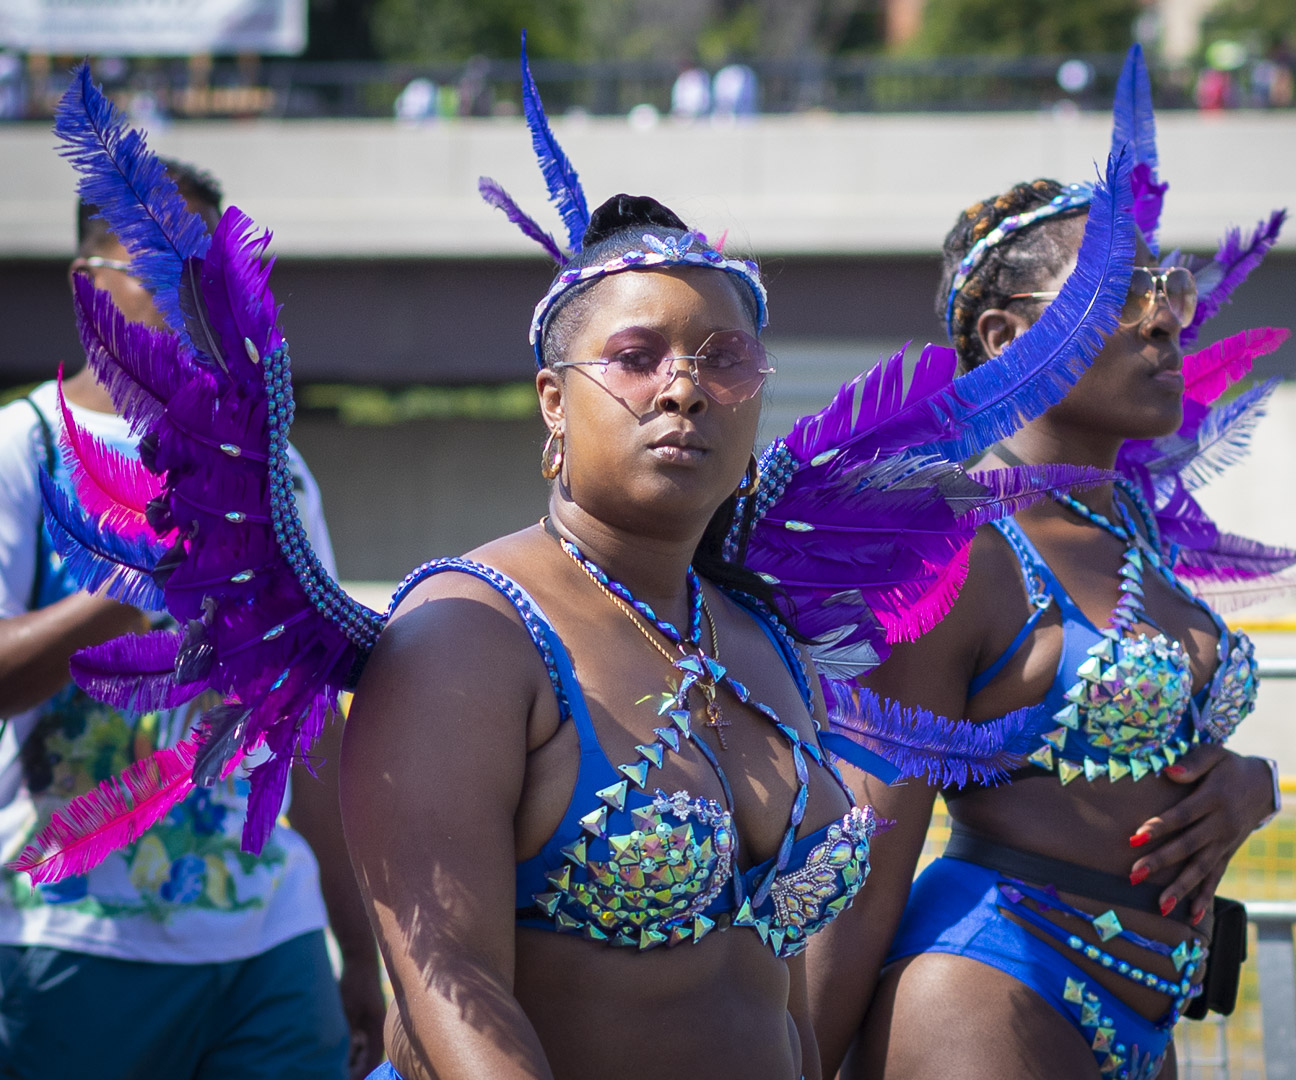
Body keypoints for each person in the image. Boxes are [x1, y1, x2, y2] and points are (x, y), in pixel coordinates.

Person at [19, 54, 1139, 1080]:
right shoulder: (467, 634)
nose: (684, 388)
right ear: (553, 404)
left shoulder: (754, 636)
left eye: (724, 359)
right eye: (637, 358)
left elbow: (778, 994)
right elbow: (454, 1001)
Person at [806, 47, 1296, 1080]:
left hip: (1149, 1010)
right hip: (992, 992)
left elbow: (1173, 754)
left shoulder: (1137, 534)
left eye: (1168, 282)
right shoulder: (955, 552)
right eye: (1122, 290)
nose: (1168, 314)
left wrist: (1252, 787)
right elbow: (865, 866)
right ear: (1004, 337)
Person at [0, 156, 385, 1078]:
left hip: (270, 948)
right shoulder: (28, 447)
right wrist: (133, 579)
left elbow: (310, 724)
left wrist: (357, 944)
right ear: (87, 281)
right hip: (70, 943)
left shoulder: (278, 474)